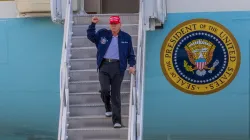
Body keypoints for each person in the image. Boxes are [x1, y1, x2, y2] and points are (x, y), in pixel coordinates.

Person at [87, 16, 136, 128]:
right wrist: (92, 24)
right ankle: (107, 106)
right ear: (110, 25)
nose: (113, 26)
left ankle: (117, 121)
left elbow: (131, 54)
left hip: (118, 67)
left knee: (115, 95)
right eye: (112, 24)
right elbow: (90, 36)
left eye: (116, 23)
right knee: (104, 90)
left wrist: (132, 65)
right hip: (104, 65)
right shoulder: (103, 34)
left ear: (120, 24)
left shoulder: (126, 37)